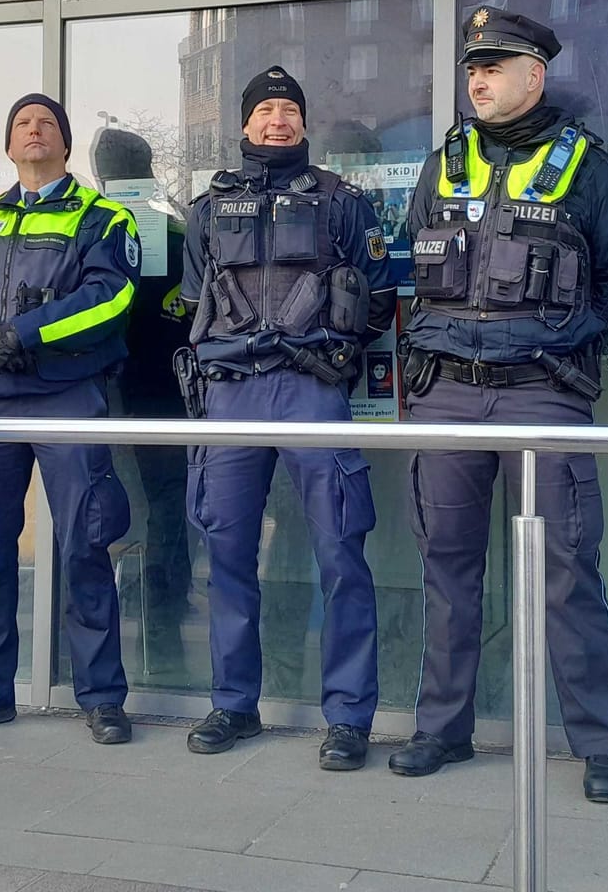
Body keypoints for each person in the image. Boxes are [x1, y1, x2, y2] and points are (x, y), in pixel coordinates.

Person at [391, 8, 608, 803]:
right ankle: (443, 730)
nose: (479, 78)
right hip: (445, 395)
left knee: (569, 572)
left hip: (541, 394)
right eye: (474, 67)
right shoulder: (442, 166)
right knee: (446, 566)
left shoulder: (598, 174)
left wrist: (556, 346)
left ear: (536, 75)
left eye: (496, 66)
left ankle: (601, 748)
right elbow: (412, 260)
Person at [177, 67, 397, 770]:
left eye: (290, 110)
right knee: (228, 554)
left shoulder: (342, 201)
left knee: (340, 553)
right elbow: (192, 299)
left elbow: (380, 294)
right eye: (266, 109)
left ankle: (349, 716)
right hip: (231, 389)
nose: (278, 120)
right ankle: (233, 704)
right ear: (244, 125)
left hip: (311, 387)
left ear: (305, 123)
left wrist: (335, 352)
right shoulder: (208, 208)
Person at [0, 93, 140, 746]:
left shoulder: (102, 216)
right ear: (9, 146)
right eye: (22, 123)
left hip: (66, 394)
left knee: (85, 545)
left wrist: (24, 335)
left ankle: (101, 698)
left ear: (65, 145)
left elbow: (112, 295)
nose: (34, 131)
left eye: (46, 123)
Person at [90, 125, 195, 673]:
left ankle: (149, 627)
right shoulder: (174, 228)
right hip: (160, 394)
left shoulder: (106, 228)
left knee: (125, 512)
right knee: (166, 512)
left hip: (124, 392)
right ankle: (164, 623)